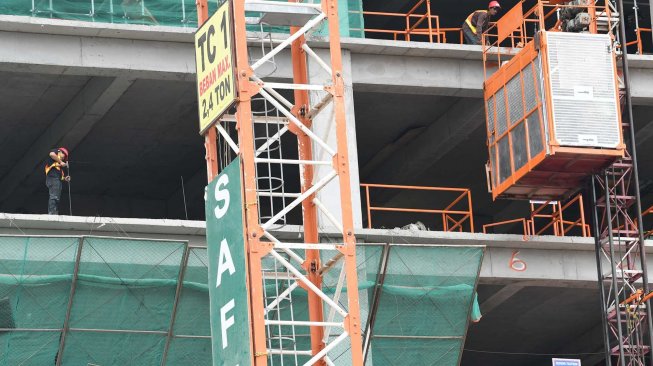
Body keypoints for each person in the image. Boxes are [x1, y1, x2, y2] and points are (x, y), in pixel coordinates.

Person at [45, 147, 71, 215]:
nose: (63, 158)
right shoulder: (55, 152)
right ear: (60, 152)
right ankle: (52, 212)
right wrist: (61, 162)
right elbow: (52, 154)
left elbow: (60, 177)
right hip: (52, 179)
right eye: (64, 156)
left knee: (56, 197)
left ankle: (54, 212)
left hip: (57, 180)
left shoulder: (59, 168)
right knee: (54, 196)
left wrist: (65, 178)